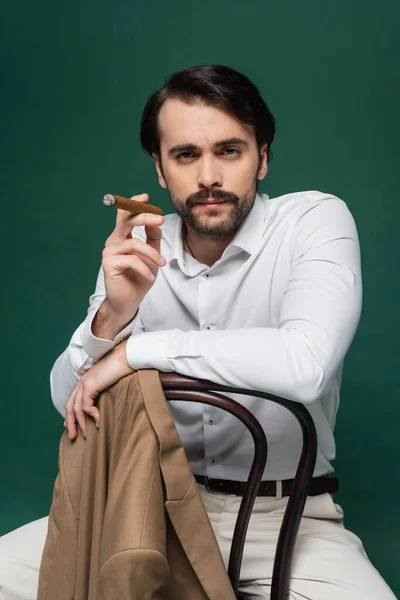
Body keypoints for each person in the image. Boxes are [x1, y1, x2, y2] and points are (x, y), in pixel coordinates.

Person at [0, 64, 397, 600]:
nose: (208, 175)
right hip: (144, 511)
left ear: (263, 157)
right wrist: (112, 319)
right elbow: (69, 402)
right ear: (160, 171)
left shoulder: (314, 220)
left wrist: (138, 351)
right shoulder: (140, 247)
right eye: (186, 155)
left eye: (229, 151)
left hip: (285, 521)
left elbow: (306, 362)